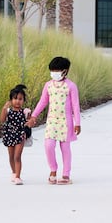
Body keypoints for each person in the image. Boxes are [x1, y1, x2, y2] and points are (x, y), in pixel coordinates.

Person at [27, 56, 81, 184]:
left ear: (65, 71)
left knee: (65, 148)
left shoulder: (71, 86)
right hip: (51, 122)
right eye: (53, 70)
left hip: (65, 122)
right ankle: (53, 169)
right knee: (48, 145)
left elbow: (75, 106)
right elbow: (43, 101)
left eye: (57, 70)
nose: (54, 73)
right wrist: (34, 116)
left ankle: (66, 174)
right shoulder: (48, 85)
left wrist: (77, 123)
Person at [0, 84, 31, 184]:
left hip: (20, 135)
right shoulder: (8, 111)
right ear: (11, 100)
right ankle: (13, 172)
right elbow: (2, 120)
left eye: (20, 99)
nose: (17, 101)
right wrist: (4, 108)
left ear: (23, 100)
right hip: (9, 134)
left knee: (17, 156)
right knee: (11, 156)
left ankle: (18, 176)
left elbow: (30, 122)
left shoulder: (25, 111)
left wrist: (30, 122)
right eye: (15, 98)